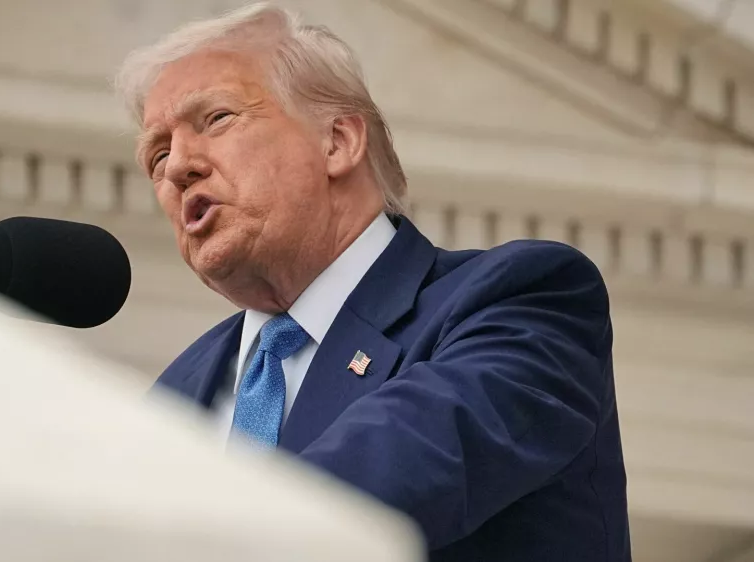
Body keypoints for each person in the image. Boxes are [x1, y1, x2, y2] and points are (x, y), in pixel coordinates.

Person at [115, 3, 630, 560]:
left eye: (215, 119)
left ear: (337, 142)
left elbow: (402, 464)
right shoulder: (166, 402)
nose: (176, 167)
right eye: (157, 155)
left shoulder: (523, 299)